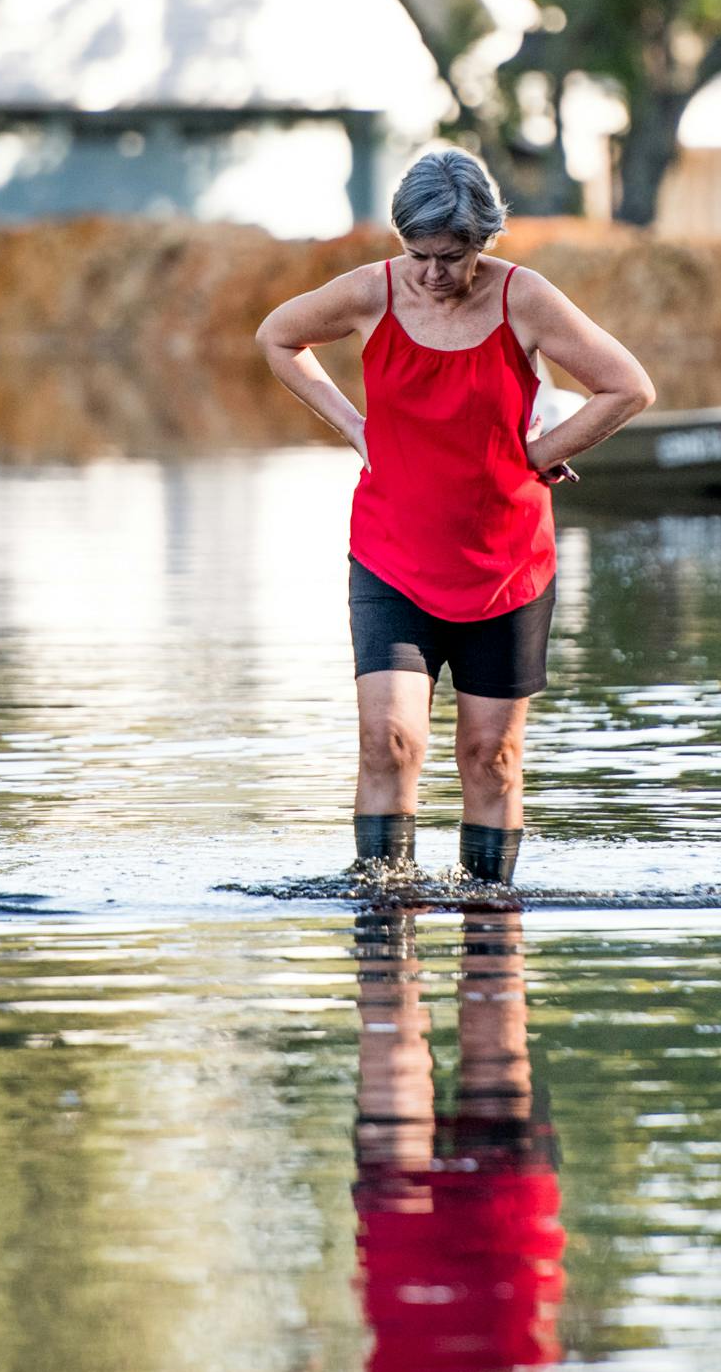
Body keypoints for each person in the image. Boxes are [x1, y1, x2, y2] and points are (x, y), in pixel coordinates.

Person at [255, 148, 655, 882]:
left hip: (506, 566)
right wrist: (353, 426)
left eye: (454, 255)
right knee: (388, 739)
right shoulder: (373, 292)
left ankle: (491, 943)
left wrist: (537, 453)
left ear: (484, 240)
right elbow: (278, 335)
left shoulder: (524, 299)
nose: (434, 273)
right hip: (391, 556)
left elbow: (627, 387)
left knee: (491, 758)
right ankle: (385, 932)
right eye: (419, 254)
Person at [350, 905, 562, 1372]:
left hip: (477, 1308)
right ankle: (459, 904)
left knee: (410, 1052)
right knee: (422, 1044)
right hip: (475, 1305)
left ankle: (387, 903)